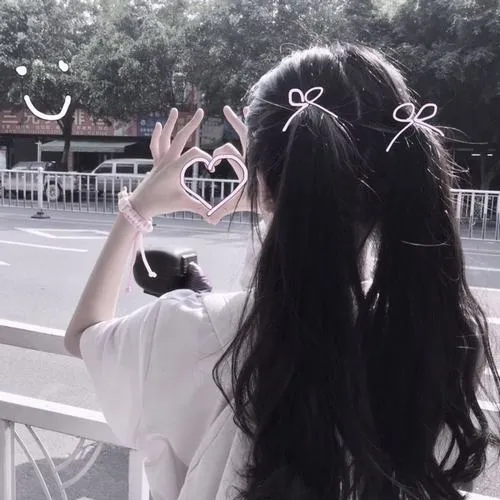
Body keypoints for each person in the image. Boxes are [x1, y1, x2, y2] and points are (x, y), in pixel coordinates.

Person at [65, 43, 500, 500]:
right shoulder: (441, 340)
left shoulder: (196, 330)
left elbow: (84, 335)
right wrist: (276, 195)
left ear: (266, 180)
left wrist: (136, 209)